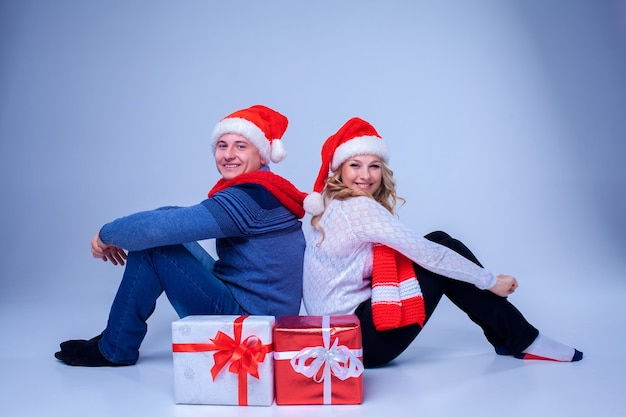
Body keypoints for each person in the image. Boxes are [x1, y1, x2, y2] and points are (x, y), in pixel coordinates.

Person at [302, 117, 583, 368]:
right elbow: (430, 257)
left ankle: (509, 337)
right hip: (356, 343)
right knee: (443, 252)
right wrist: (490, 281)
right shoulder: (359, 208)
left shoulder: (332, 201)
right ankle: (523, 339)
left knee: (439, 240)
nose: (366, 175)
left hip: (338, 333)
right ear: (340, 169)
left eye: (374, 166)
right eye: (355, 165)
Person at [55, 105, 307, 367]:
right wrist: (124, 236)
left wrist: (106, 234)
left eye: (241, 146)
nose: (229, 155)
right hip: (259, 311)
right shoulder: (263, 189)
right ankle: (116, 335)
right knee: (164, 227)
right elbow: (171, 218)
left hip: (252, 327)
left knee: (155, 246)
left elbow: (156, 230)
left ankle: (115, 347)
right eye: (222, 145)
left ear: (262, 155)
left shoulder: (247, 199)